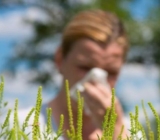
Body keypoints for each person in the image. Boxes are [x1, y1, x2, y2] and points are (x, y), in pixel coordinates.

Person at [48, 9, 129, 139]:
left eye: (111, 72)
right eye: (85, 68)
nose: (96, 81)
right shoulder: (17, 126)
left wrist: (116, 132)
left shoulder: (131, 132)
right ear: (60, 60)